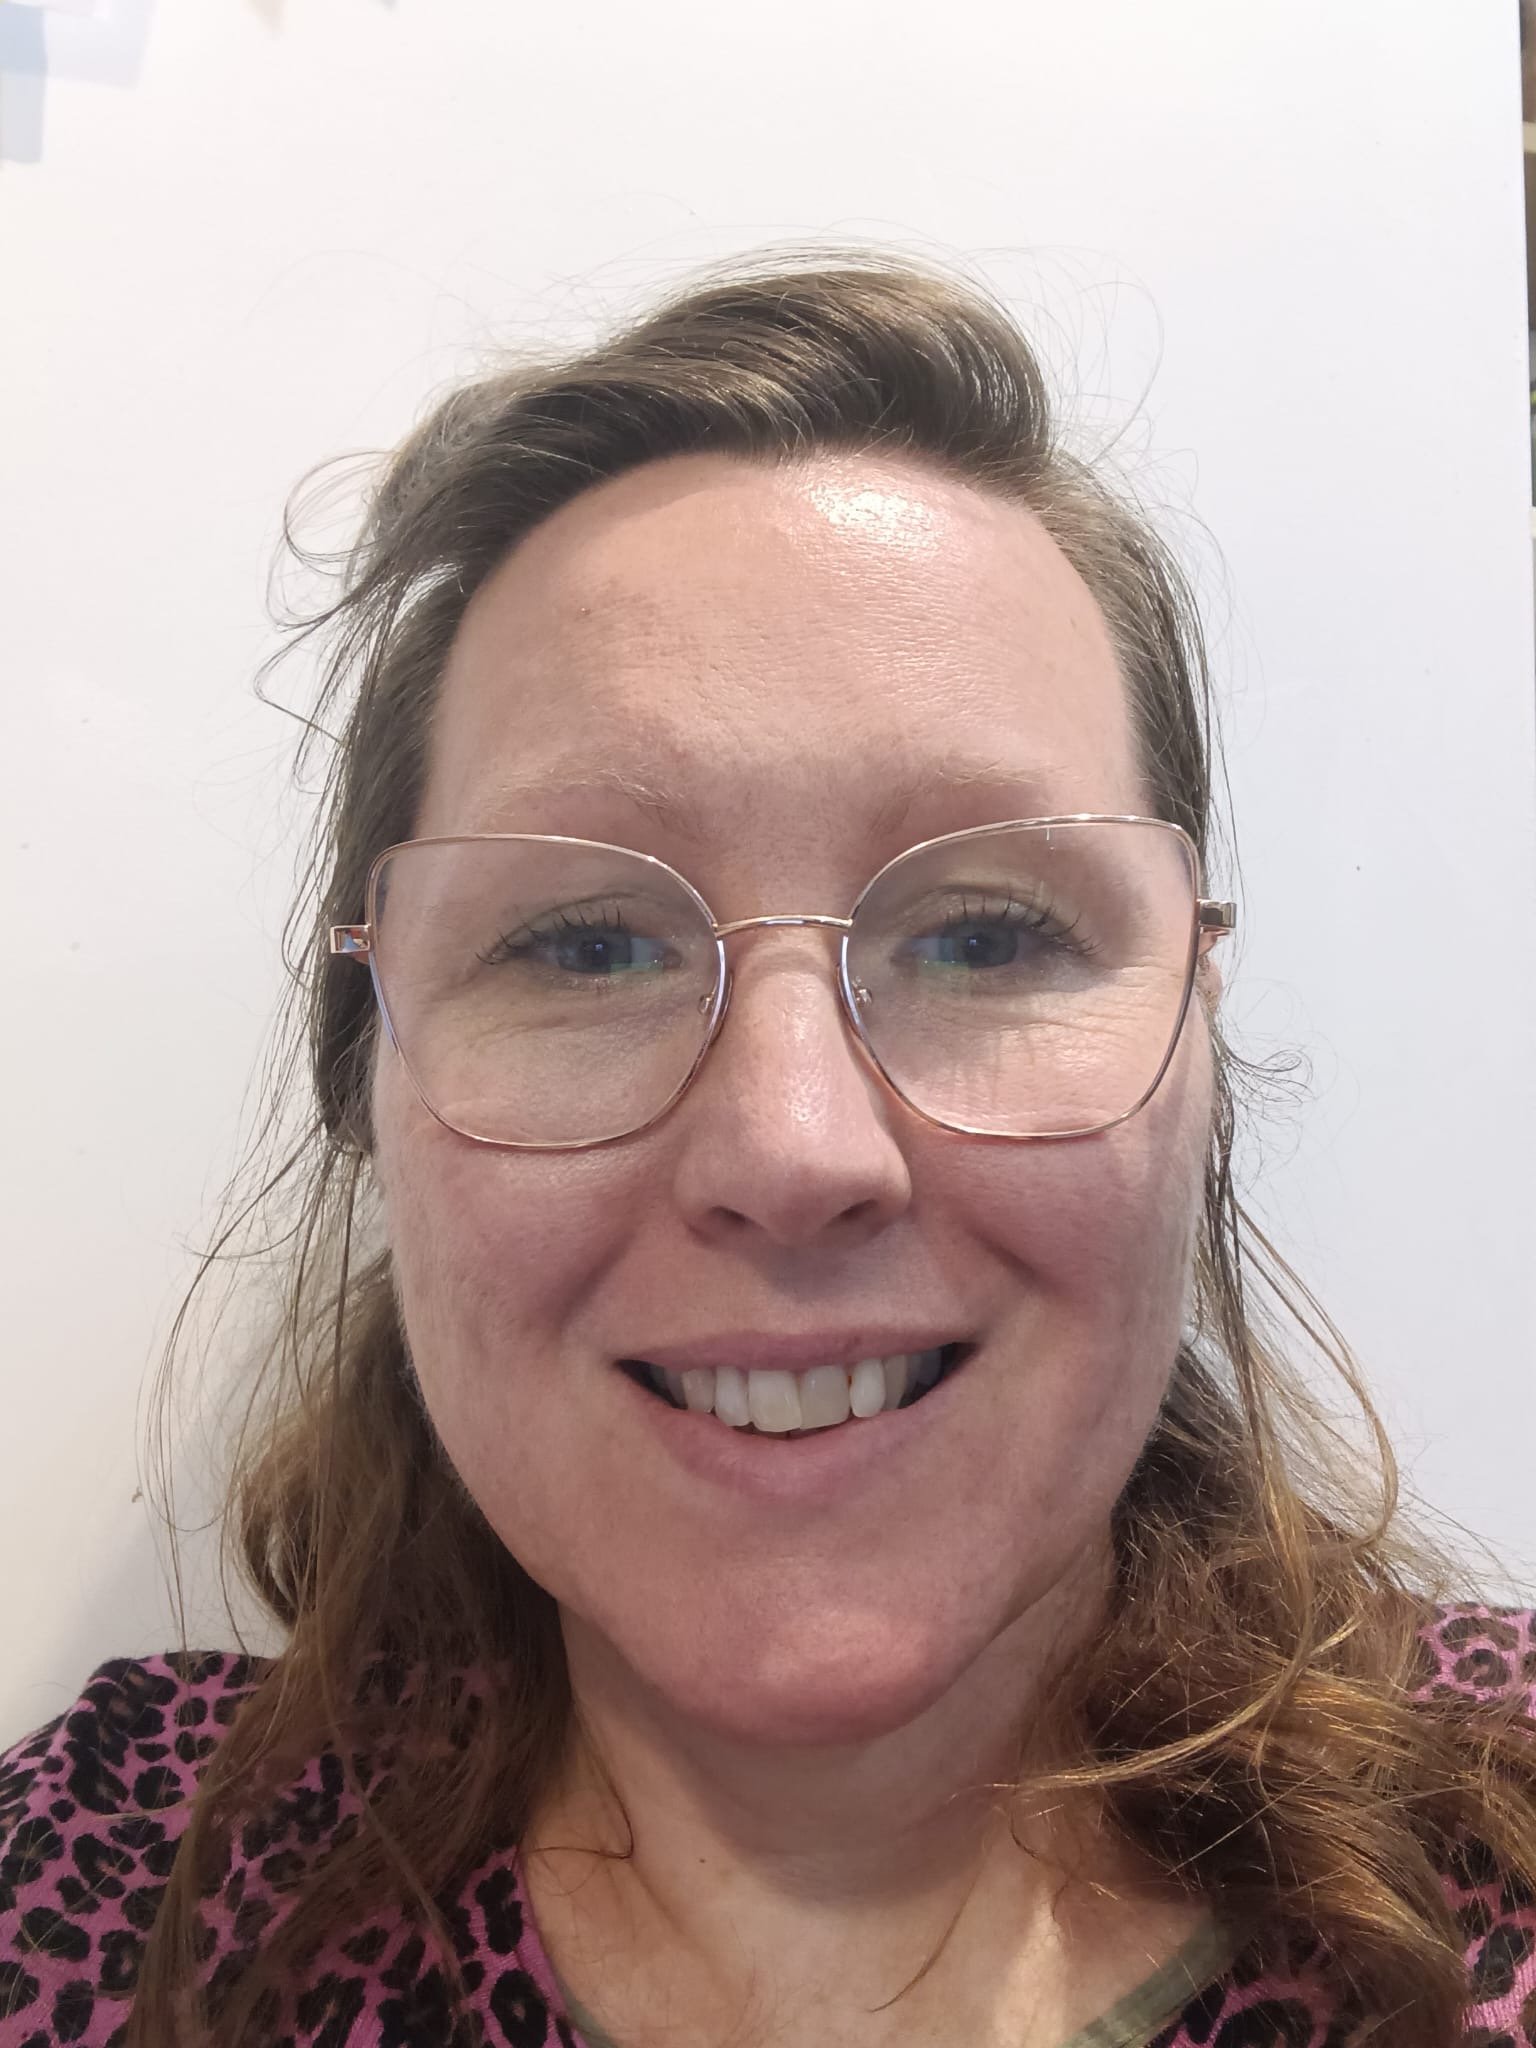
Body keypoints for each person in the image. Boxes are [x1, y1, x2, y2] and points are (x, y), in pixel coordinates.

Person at [2, 251, 1533, 2048]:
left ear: (1200, 1043)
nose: (794, 1147)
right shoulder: (105, 1894)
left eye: (984, 935)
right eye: (583, 945)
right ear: (375, 1090)